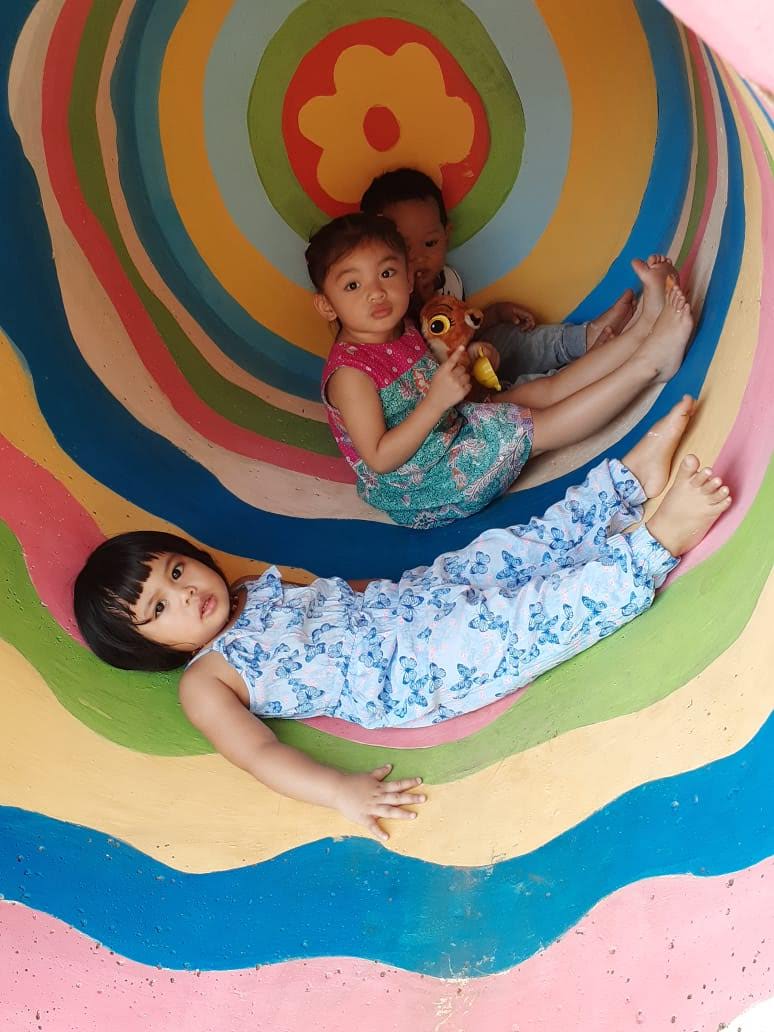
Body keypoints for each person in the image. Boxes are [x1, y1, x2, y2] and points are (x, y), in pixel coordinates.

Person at [73, 400, 731, 841]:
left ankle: (622, 485)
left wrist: (414, 589)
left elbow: (341, 597)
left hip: (411, 602)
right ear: (149, 647)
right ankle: (655, 545)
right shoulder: (206, 680)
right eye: (158, 609)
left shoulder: (250, 589)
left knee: (506, 553)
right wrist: (339, 792)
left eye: (176, 572)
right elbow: (258, 754)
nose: (184, 595)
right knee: (528, 618)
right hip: (413, 670)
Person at [310, 211, 693, 527]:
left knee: (537, 392)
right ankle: (650, 365)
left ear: (409, 278)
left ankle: (643, 329)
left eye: (386, 273)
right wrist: (436, 401)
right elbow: (380, 457)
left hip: (446, 429)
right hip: (428, 484)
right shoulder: (350, 375)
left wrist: (462, 361)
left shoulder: (399, 327)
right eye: (352, 285)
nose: (376, 292)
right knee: (539, 426)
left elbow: (421, 377)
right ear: (326, 306)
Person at [360, 167, 677, 397]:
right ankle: (589, 367)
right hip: (455, 393)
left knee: (515, 339)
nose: (419, 258)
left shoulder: (449, 280)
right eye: (404, 248)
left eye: (430, 244)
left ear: (446, 235)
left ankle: (586, 336)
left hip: (481, 356)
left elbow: (464, 330)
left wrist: (495, 313)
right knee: (520, 392)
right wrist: (467, 361)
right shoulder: (391, 304)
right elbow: (421, 372)